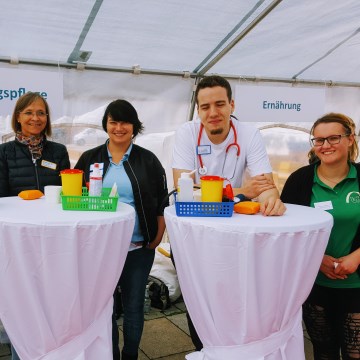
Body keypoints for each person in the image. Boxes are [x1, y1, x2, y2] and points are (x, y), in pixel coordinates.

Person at [171, 75, 286, 350]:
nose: (213, 113)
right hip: (193, 235)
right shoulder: (186, 133)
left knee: (235, 300)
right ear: (198, 110)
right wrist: (242, 191)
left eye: (220, 104)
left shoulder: (248, 134)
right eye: (205, 106)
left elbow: (266, 186)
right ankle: (206, 351)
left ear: (232, 105)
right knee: (199, 300)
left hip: (232, 236)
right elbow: (183, 189)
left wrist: (272, 198)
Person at [75, 99, 168, 360]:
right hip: (99, 250)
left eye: (125, 121)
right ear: (106, 124)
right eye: (113, 121)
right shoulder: (89, 158)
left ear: (134, 126)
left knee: (134, 305)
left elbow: (162, 200)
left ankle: (129, 355)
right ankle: (110, 354)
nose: (119, 127)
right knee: (105, 306)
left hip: (137, 247)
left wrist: (157, 236)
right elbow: (76, 199)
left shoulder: (148, 160)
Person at [281, 113, 360, 360]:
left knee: (355, 353)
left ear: (350, 139)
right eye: (319, 140)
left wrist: (358, 256)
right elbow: (286, 232)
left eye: (334, 138)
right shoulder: (300, 180)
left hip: (356, 284)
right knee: (323, 352)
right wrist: (318, 259)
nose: (326, 145)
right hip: (314, 283)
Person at [0, 92, 70, 359]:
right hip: (19, 241)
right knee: (23, 303)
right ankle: (23, 352)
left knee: (53, 301)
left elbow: (68, 194)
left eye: (41, 113)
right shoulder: (4, 153)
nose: (35, 118)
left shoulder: (58, 152)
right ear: (18, 117)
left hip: (54, 240)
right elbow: (2, 201)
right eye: (29, 112)